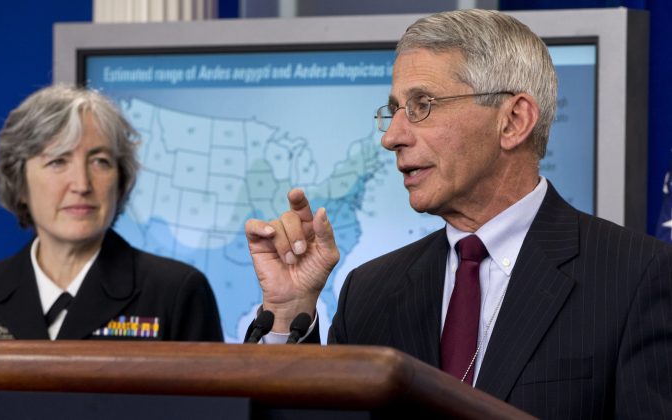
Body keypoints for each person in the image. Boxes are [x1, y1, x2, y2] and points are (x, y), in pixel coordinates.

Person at [244, 9, 672, 418]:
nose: (392, 137)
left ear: (513, 121)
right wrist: (288, 312)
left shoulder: (637, 278)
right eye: (394, 110)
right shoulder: (369, 293)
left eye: (421, 105)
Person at [0, 85, 223, 342]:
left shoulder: (175, 293)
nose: (82, 185)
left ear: (120, 181)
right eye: (58, 161)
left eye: (100, 161)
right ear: (19, 182)